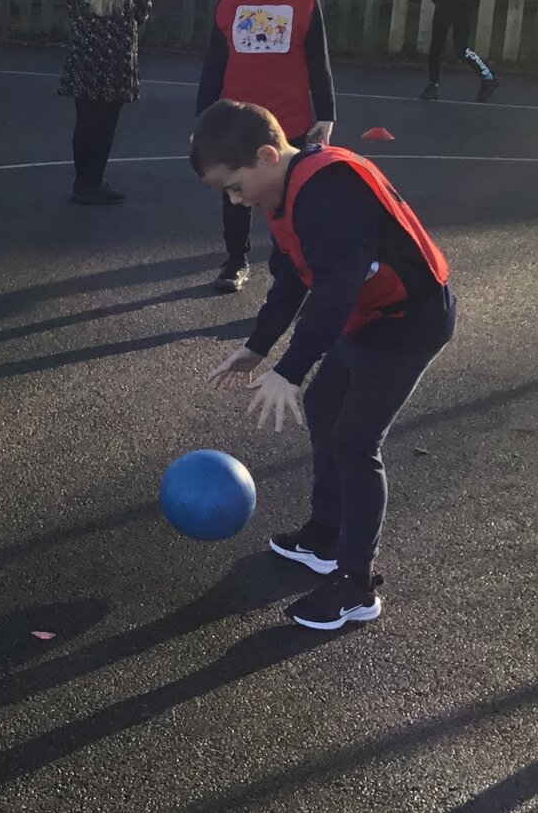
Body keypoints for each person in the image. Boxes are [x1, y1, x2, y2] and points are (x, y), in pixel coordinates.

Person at [192, 99, 454, 631]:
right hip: (370, 315)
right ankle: (327, 534)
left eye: (235, 187)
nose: (235, 202)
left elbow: (335, 289)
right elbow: (291, 278)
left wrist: (290, 369)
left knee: (356, 442)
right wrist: (258, 347)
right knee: (324, 404)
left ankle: (357, 585)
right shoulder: (286, 195)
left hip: (411, 319)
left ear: (268, 156)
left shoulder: (329, 191)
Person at [195, 0, 335, 295]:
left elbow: (318, 61)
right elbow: (214, 64)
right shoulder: (232, 3)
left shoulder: (305, 1)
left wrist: (326, 114)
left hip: (287, 117)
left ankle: (288, 264)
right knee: (236, 191)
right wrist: (203, 116)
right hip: (235, 117)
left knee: (287, 195)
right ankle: (236, 259)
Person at [58, 0, 153, 205]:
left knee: (84, 119)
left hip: (85, 51)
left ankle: (80, 182)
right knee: (105, 124)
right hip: (116, 55)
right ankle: (94, 182)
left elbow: (72, 6)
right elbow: (142, 12)